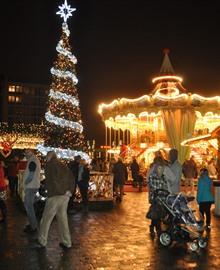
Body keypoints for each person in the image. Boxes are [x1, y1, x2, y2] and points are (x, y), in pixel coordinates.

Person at [34, 151, 75, 249]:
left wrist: (57, 191)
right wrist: (69, 191)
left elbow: (52, 180)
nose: (45, 158)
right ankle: (67, 242)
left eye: (47, 156)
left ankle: (42, 240)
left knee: (46, 219)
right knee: (62, 219)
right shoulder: (63, 165)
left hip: (55, 195)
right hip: (65, 196)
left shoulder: (50, 165)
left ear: (50, 156)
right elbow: (72, 178)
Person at [147, 161, 170, 237]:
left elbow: (166, 187)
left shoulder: (163, 177)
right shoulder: (152, 177)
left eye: (162, 169)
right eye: (159, 168)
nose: (161, 170)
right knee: (157, 215)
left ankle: (152, 226)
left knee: (158, 215)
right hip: (156, 199)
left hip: (162, 199)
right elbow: (154, 187)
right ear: (156, 169)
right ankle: (158, 229)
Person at [23, 149, 41, 233]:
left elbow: (31, 175)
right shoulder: (33, 160)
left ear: (31, 153)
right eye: (25, 153)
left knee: (28, 206)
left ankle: (33, 226)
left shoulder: (32, 161)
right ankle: (32, 224)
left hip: (30, 187)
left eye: (27, 153)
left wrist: (25, 183)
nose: (26, 154)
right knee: (29, 206)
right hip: (33, 186)